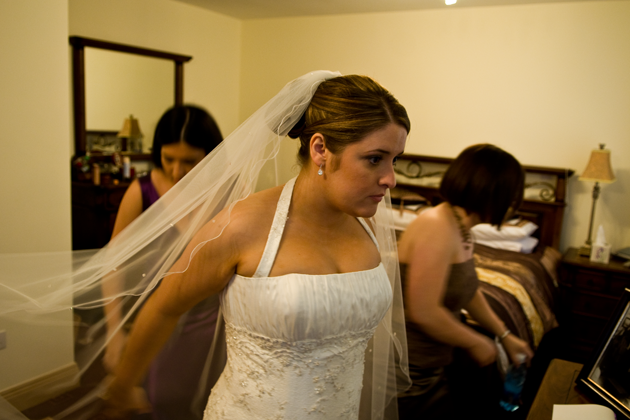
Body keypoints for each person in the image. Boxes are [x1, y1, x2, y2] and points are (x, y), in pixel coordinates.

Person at [97, 71, 411, 420]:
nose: (390, 179)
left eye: (394, 160)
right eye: (374, 159)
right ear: (320, 148)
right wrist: (124, 385)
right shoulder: (241, 227)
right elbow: (164, 307)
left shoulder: (365, 222)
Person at [102, 105, 224, 420]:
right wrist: (115, 329)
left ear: (209, 155)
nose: (176, 171)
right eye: (169, 158)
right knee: (164, 402)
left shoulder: (229, 191)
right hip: (159, 325)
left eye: (189, 161)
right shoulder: (142, 191)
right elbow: (112, 263)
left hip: (216, 325)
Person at [396, 144, 534, 419]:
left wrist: (505, 335)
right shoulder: (436, 224)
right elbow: (423, 311)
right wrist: (475, 342)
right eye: (513, 195)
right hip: (409, 371)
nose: (514, 205)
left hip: (433, 364)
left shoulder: (462, 229)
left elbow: (469, 291)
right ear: (495, 192)